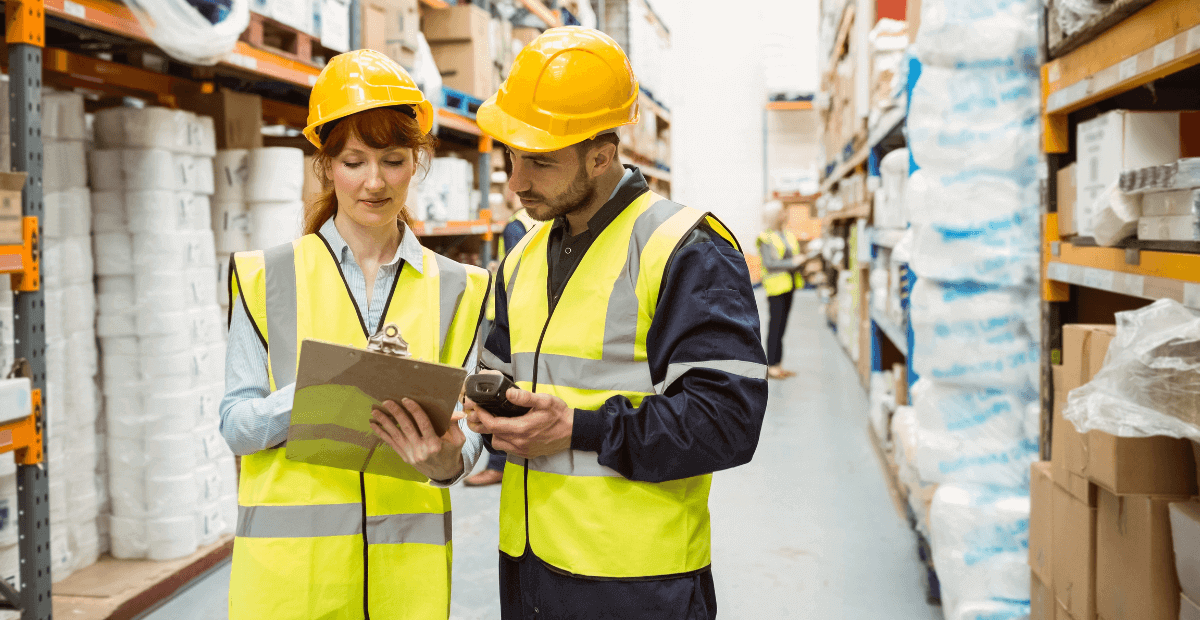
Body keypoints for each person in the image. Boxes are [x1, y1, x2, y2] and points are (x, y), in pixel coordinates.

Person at [467, 27, 769, 620]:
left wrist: (581, 428)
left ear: (602, 155)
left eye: (541, 162)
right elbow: (496, 393)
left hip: (636, 581)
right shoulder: (522, 259)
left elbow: (728, 420)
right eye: (512, 158)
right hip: (528, 568)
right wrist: (469, 427)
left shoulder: (685, 248)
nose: (517, 183)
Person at [220, 49, 491, 619]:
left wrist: (446, 460)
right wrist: (320, 393)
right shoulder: (264, 276)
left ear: (415, 163)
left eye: (393, 160)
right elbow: (236, 426)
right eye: (353, 161)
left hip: (405, 587)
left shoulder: (462, 289)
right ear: (325, 166)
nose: (374, 181)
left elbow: (468, 442)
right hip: (293, 585)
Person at [466, 207, 535, 487]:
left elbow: (517, 271)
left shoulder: (517, 224)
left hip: (514, 313)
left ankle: (497, 463)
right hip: (530, 314)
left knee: (502, 387)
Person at [756, 201, 806, 379]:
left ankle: (778, 364)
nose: (785, 215)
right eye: (782, 213)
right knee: (775, 327)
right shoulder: (765, 238)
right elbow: (769, 265)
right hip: (776, 288)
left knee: (782, 326)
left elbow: (792, 256)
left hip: (790, 285)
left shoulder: (787, 235)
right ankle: (771, 365)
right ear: (775, 216)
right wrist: (792, 263)